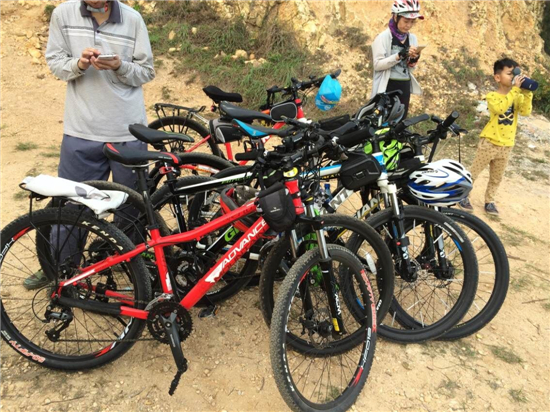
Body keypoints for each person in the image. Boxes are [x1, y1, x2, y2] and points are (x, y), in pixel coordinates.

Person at [23, 0, 155, 290]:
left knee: (131, 207)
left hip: (127, 130)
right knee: (71, 205)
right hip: (80, 130)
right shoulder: (63, 14)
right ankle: (58, 268)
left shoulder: (132, 18)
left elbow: (146, 71)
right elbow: (56, 63)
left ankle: (129, 267)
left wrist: (119, 66)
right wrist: (79, 64)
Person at [459, 58, 533, 215]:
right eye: (510, 74)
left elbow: (525, 111)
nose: (514, 77)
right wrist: (515, 90)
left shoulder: (517, 95)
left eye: (516, 74)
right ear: (498, 77)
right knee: (475, 172)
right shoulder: (492, 96)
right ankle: (463, 195)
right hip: (489, 142)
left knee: (496, 177)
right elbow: (500, 109)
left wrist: (527, 93)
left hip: (506, 144)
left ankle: (489, 201)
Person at [371, 0, 424, 119]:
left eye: (412, 22)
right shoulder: (383, 38)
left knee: (400, 122)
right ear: (396, 17)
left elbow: (411, 67)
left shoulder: (412, 38)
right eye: (406, 21)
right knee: (382, 122)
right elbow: (377, 65)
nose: (408, 25)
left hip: (404, 86)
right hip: (387, 86)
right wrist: (399, 55)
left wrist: (413, 59)